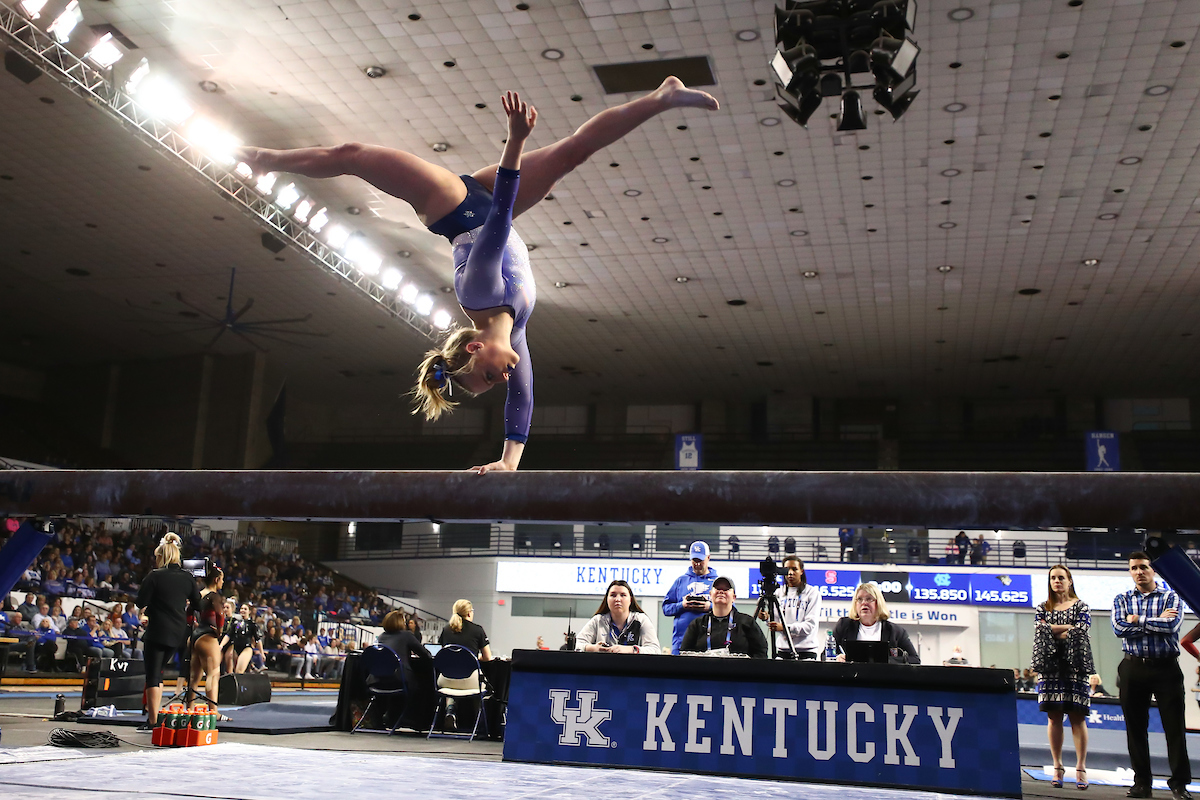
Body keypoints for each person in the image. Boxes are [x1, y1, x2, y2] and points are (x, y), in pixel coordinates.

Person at [238, 78, 718, 473]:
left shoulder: (480, 291)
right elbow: (524, 401)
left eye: (492, 373)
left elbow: (503, 216)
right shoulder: (518, 329)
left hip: (454, 206)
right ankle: (662, 97)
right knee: (574, 152)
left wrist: (515, 140)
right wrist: (509, 463)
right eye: (499, 380)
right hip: (493, 200)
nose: (506, 375)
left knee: (353, 154)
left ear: (473, 347)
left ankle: (264, 159)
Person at [1112, 552, 1191, 800]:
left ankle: (1179, 784)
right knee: (1135, 728)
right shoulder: (1121, 598)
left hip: (1166, 669)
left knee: (1174, 728)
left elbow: (1172, 627)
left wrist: (1136, 620)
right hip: (1132, 668)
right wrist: (1153, 621)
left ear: (1153, 570)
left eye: (1143, 567)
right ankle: (1142, 783)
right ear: (1130, 571)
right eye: (1134, 568)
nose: (1139, 572)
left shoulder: (1171, 596)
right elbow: (1118, 629)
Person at [1032, 565, 1094, 790]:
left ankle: (1081, 768)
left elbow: (1081, 631)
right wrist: (1067, 628)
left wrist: (1053, 629)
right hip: (1050, 667)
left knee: (1078, 717)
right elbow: (1040, 630)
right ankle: (1057, 766)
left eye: (1061, 577)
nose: (1056, 581)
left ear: (1070, 581)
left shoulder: (1082, 606)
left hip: (1075, 665)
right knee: (1053, 717)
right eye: (1053, 578)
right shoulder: (1042, 607)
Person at [134, 533, 201, 732]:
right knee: (159, 672)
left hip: (158, 630)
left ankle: (153, 721)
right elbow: (197, 604)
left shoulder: (155, 575)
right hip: (178, 632)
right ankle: (155, 715)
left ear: (161, 557)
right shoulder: (187, 578)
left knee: (153, 675)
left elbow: (140, 602)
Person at [832, 583, 920, 664]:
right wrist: (837, 658)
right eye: (859, 599)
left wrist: (887, 660)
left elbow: (915, 660)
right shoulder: (844, 625)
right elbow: (825, 655)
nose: (864, 603)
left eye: (869, 599)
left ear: (878, 603)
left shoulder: (895, 631)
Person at [681, 576, 767, 658]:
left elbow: (761, 652)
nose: (721, 591)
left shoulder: (747, 622)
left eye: (726, 589)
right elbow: (684, 653)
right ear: (710, 595)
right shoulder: (697, 624)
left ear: (734, 597)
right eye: (717, 588)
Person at [757, 555, 821, 659]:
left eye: (794, 569)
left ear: (801, 571)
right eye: (787, 569)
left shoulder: (812, 593)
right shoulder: (778, 592)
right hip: (783, 650)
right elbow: (776, 621)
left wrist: (785, 628)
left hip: (806, 651)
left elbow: (809, 626)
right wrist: (767, 617)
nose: (790, 573)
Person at [575, 579, 661, 654]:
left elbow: (655, 650)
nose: (618, 599)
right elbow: (575, 645)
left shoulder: (641, 620)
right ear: (607, 599)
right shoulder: (597, 620)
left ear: (630, 599)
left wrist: (631, 650)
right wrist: (593, 648)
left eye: (623, 595)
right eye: (613, 595)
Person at [663, 541, 718, 655]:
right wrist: (682, 605)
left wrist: (710, 607)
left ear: (708, 558)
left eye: (700, 560)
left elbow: (731, 608)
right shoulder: (680, 581)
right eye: (694, 560)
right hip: (681, 642)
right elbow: (666, 608)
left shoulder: (718, 583)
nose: (697, 564)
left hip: (709, 644)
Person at [189, 564, 228, 719]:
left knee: (194, 676)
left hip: (195, 635)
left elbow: (188, 613)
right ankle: (214, 712)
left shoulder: (198, 594)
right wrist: (219, 631)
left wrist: (192, 625)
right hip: (207, 636)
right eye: (222, 580)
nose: (223, 583)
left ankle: (189, 708)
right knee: (213, 673)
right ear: (217, 579)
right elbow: (219, 615)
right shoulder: (214, 596)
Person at [220, 602, 264, 675]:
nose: (243, 610)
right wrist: (221, 645)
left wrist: (262, 653)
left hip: (246, 648)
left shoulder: (252, 624)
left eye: (245, 609)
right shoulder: (236, 623)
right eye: (242, 608)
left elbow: (258, 639)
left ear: (249, 611)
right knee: (233, 670)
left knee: (239, 671)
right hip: (235, 648)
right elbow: (228, 635)